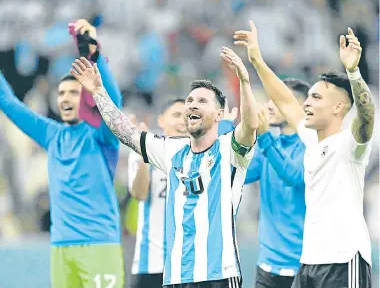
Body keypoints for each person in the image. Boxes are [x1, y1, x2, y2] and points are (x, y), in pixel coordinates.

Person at [70, 45, 258, 288]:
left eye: (202, 101)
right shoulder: (171, 150)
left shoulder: (230, 150)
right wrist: (98, 91)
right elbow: (124, 131)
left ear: (219, 114)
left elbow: (250, 125)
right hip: (176, 277)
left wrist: (244, 81)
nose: (192, 105)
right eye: (190, 100)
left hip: (218, 275)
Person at [234, 21, 374, 287]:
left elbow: (367, 115)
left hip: (343, 261)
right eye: (307, 97)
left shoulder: (351, 145)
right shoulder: (310, 140)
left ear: (338, 107)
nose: (307, 103)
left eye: (317, 98)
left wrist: (354, 72)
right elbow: (286, 100)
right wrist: (257, 60)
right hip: (309, 263)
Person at [0, 20, 124, 288]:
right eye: (62, 94)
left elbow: (112, 103)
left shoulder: (102, 136)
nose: (66, 99)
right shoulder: (52, 134)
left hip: (99, 246)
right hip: (61, 248)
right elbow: (9, 103)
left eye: (73, 93)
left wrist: (94, 54)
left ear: (85, 98)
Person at [128, 99, 235, 288]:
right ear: (161, 120)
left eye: (185, 116)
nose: (181, 121)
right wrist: (144, 157)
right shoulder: (148, 149)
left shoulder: (200, 155)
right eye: (175, 115)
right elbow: (139, 193)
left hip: (188, 265)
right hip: (151, 262)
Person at [244, 79, 310, 288]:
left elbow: (292, 175)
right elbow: (237, 175)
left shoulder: (311, 147)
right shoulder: (268, 146)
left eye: (278, 100)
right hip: (267, 265)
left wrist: (264, 137)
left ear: (298, 107)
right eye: (269, 100)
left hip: (303, 264)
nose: (269, 105)